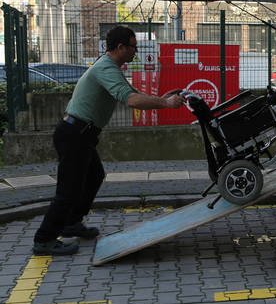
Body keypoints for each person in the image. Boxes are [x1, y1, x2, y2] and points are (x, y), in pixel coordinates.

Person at [32, 26, 185, 255]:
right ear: (121, 47)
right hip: (74, 135)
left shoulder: (109, 67)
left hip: (81, 134)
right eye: (133, 47)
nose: (136, 52)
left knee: (94, 176)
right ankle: (44, 239)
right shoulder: (106, 68)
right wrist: (166, 104)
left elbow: (132, 94)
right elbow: (131, 100)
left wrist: (161, 99)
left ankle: (71, 222)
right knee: (68, 191)